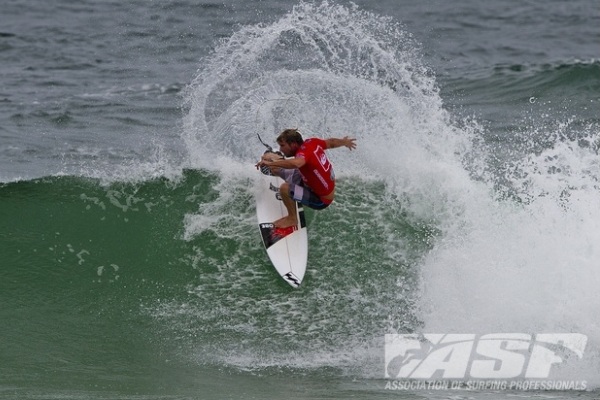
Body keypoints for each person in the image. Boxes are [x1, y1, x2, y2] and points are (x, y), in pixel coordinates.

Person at [256, 129, 357, 228]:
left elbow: (296, 163)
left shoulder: (302, 156)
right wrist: (344, 142)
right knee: (273, 166)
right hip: (309, 181)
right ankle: (276, 168)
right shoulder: (312, 142)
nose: (281, 149)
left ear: (293, 144)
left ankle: (292, 219)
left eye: (283, 146)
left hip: (320, 199)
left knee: (284, 189)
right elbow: (331, 143)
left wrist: (270, 163)